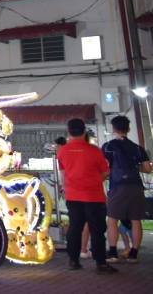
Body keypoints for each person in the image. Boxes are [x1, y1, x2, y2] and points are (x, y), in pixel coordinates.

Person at [58, 117, 115, 273]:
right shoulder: (94, 150)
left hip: (72, 195)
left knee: (75, 228)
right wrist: (94, 179)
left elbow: (63, 172)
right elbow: (105, 172)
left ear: (69, 132)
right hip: (93, 196)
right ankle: (101, 263)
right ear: (84, 131)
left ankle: (73, 261)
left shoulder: (62, 151)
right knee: (97, 230)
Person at [102, 115, 151, 263]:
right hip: (136, 187)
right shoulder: (137, 148)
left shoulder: (108, 147)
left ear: (113, 129)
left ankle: (112, 252)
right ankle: (134, 253)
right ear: (128, 129)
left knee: (112, 220)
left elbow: (104, 168)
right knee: (136, 220)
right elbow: (147, 168)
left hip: (117, 187)